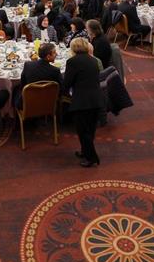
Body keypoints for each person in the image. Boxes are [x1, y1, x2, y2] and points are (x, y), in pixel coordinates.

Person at [62, 38, 104, 167]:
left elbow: (67, 82)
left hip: (82, 100)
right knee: (90, 130)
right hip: (96, 98)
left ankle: (92, 158)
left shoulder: (72, 62)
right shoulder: (93, 60)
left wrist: (64, 93)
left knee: (82, 131)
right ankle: (85, 152)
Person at [14, 42, 62, 109]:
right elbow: (61, 88)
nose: (56, 54)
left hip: (29, 104)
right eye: (54, 52)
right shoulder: (55, 71)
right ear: (48, 56)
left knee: (15, 89)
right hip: (48, 105)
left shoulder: (28, 65)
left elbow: (23, 84)